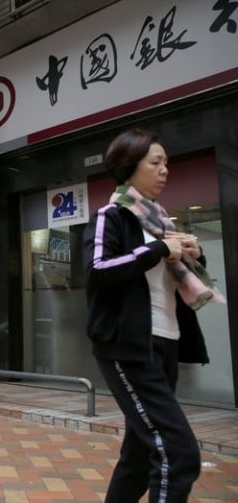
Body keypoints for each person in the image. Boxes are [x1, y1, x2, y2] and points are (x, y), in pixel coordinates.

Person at [84, 129, 224, 503]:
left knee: (138, 456)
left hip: (166, 342)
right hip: (127, 346)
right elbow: (97, 271)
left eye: (167, 163)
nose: (165, 170)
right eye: (155, 162)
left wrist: (194, 254)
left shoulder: (161, 221)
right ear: (130, 166)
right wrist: (158, 249)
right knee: (178, 455)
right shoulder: (110, 216)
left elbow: (181, 280)